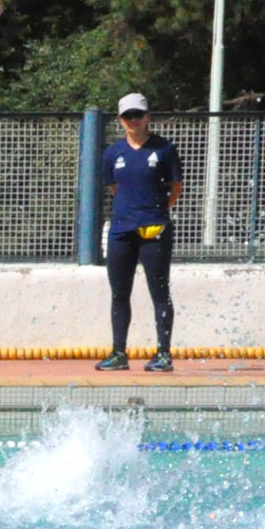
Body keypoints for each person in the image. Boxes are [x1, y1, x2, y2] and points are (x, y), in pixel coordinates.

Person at [95, 94, 181, 374]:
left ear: (148, 117)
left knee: (159, 291)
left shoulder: (164, 149)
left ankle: (163, 353)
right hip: (121, 229)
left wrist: (156, 211)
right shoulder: (113, 153)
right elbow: (113, 188)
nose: (133, 121)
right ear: (121, 120)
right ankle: (119, 352)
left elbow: (175, 187)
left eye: (137, 115)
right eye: (127, 116)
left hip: (154, 228)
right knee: (119, 293)